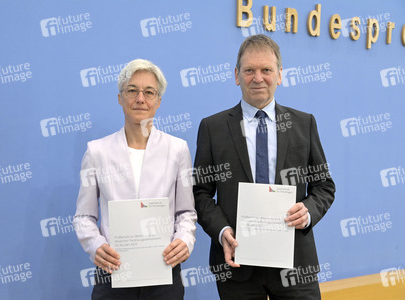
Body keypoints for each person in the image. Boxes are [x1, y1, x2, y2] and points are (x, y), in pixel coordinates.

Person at [193, 34, 335, 299]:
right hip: (236, 263)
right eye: (249, 70)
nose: (258, 78)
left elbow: (324, 186)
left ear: (279, 75)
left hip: (295, 262)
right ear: (237, 75)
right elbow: (199, 193)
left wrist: (308, 211)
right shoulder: (212, 128)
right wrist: (223, 231)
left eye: (266, 70)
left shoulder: (304, 124)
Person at [73, 59, 197, 300]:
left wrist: (184, 240)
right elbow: (84, 216)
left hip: (164, 271)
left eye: (149, 92)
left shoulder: (177, 149)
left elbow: (186, 213)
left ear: (159, 101)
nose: (140, 98)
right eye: (132, 91)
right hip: (113, 271)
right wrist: (95, 245)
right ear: (120, 97)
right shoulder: (97, 151)